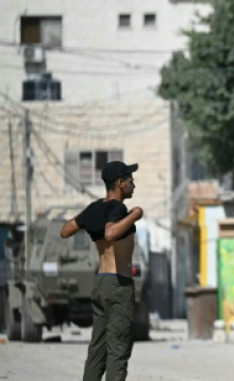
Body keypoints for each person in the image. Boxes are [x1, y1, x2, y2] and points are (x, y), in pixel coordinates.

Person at [60, 161, 144, 381]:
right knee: (118, 349)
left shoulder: (95, 208)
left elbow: (66, 229)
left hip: (101, 283)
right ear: (119, 182)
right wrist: (136, 214)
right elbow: (110, 233)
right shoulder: (119, 208)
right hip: (119, 284)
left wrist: (87, 219)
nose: (133, 184)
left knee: (97, 349)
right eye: (130, 180)